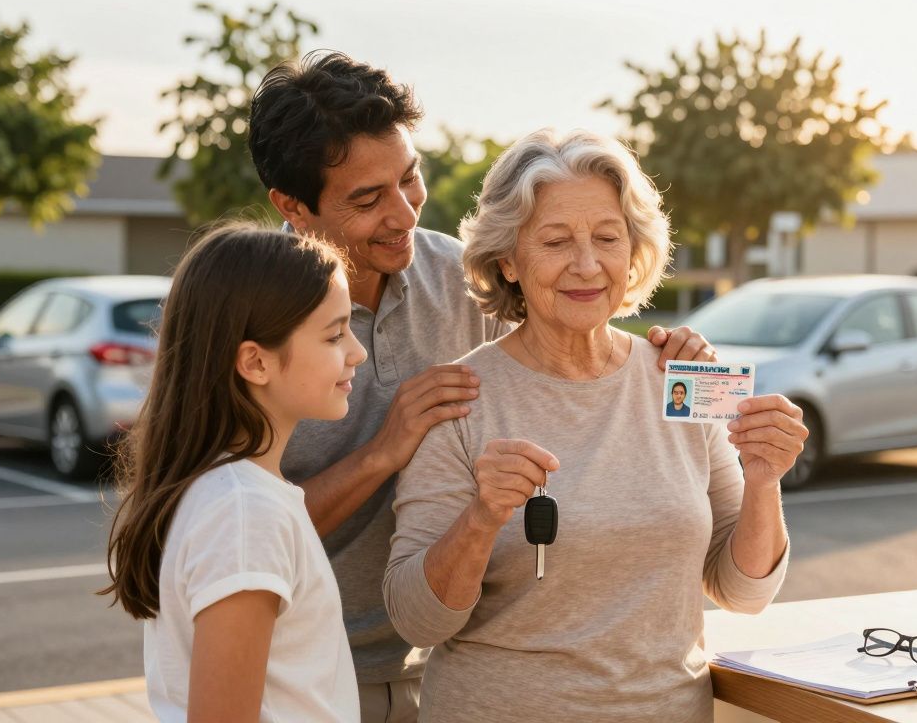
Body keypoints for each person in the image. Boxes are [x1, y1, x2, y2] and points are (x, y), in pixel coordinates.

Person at [247, 51, 718, 722]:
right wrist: (383, 451)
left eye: (410, 179)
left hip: (435, 661)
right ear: (292, 207)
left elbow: (567, 338)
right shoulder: (246, 314)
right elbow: (225, 528)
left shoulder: (460, 281)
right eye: (366, 199)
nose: (403, 214)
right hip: (294, 670)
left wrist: (676, 363)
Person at [384, 129, 805, 723]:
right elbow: (416, 619)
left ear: (632, 251)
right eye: (556, 241)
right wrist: (481, 519)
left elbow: (743, 591)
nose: (587, 265)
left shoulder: (677, 380)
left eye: (607, 238)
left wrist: (764, 481)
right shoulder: (460, 399)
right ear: (507, 259)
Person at [100, 225, 368, 722]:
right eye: (335, 334)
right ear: (255, 362)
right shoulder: (246, 512)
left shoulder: (236, 494)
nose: (357, 351)